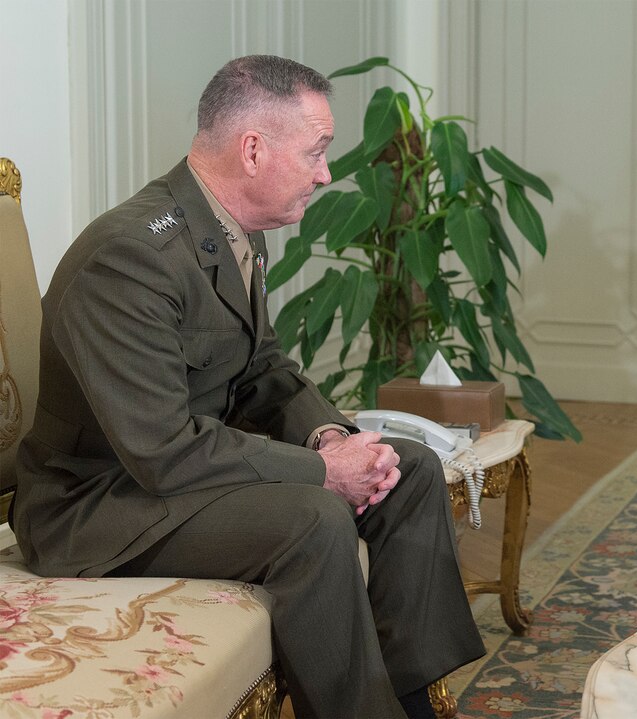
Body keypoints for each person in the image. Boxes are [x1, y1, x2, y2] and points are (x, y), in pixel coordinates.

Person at [12, 55, 483, 718]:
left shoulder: (232, 232)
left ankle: (413, 702)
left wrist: (329, 433)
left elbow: (263, 369)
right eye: (316, 152)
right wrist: (323, 470)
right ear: (254, 150)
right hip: (97, 503)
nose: (325, 173)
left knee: (409, 471)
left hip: (174, 477)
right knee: (314, 517)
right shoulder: (128, 257)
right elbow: (163, 450)